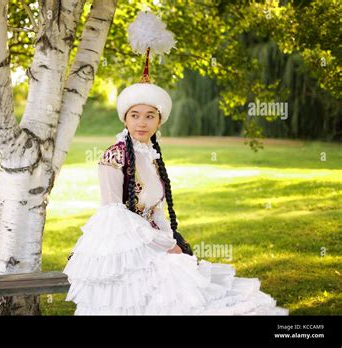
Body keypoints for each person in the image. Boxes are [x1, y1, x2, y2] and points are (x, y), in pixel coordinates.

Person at [62, 10, 289, 315]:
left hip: (155, 245)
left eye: (150, 115)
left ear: (159, 121)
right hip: (126, 255)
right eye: (135, 115)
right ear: (126, 118)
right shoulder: (115, 155)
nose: (142, 123)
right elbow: (114, 215)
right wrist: (162, 246)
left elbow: (154, 211)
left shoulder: (150, 155)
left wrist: (171, 241)